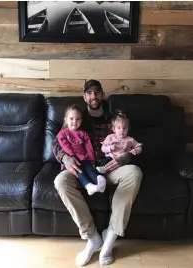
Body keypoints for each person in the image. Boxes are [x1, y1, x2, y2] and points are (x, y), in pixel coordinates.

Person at [52, 79, 142, 266]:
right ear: (85, 96)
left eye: (97, 92)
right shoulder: (77, 117)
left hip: (110, 168)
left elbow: (132, 143)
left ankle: (110, 237)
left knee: (134, 172)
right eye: (89, 93)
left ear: (102, 95)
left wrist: (125, 158)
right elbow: (56, 142)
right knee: (61, 181)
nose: (93, 96)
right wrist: (64, 158)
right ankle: (93, 237)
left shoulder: (114, 118)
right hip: (83, 169)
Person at [57, 104, 106, 195]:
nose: (74, 121)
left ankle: (99, 182)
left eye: (78, 119)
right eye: (71, 118)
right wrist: (71, 155)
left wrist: (92, 160)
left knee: (90, 169)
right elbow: (64, 145)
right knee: (79, 171)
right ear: (66, 120)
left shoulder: (83, 133)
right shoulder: (63, 133)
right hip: (72, 160)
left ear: (81, 121)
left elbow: (89, 147)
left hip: (84, 158)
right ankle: (88, 186)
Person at [96, 110, 142, 175]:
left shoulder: (130, 139)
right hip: (112, 156)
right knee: (106, 161)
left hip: (123, 159)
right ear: (114, 129)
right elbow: (103, 148)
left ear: (128, 129)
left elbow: (139, 146)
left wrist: (135, 150)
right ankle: (103, 170)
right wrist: (109, 148)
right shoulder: (110, 137)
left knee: (131, 163)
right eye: (119, 128)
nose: (122, 130)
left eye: (124, 128)